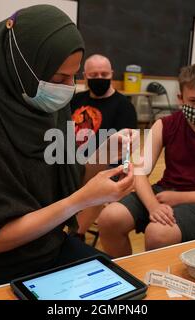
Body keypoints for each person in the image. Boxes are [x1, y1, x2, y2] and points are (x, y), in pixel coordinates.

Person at [0, 5, 135, 297]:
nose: (68, 88)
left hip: (48, 247)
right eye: (58, 79)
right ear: (21, 68)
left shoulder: (50, 109)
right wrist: (81, 200)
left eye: (73, 77)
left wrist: (103, 157)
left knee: (123, 292)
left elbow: (71, 180)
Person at [98, 63, 195, 258]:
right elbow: (139, 171)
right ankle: (128, 275)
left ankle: (153, 281)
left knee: (158, 233)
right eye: (193, 101)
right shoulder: (165, 124)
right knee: (109, 218)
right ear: (181, 99)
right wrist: (153, 205)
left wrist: (180, 198)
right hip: (165, 192)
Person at [71, 54, 138, 241]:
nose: (99, 78)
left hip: (107, 165)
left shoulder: (124, 106)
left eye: (103, 74)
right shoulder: (75, 100)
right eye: (94, 75)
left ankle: (76, 234)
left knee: (100, 185)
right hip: (71, 160)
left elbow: (126, 149)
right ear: (85, 76)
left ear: (111, 74)